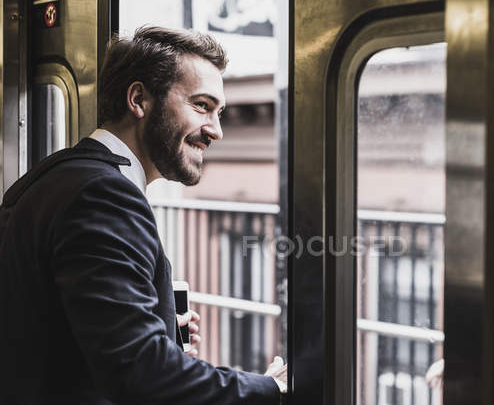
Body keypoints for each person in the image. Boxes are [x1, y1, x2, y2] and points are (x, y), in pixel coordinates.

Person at [0, 26, 287, 404]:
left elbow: (53, 328)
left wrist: (158, 325)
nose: (215, 131)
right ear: (138, 99)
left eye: (220, 113)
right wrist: (270, 389)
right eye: (201, 105)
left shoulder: (53, 173)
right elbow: (142, 373)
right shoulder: (105, 195)